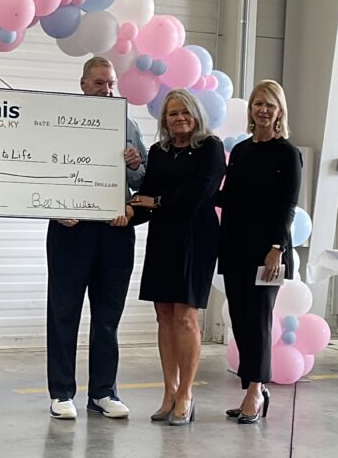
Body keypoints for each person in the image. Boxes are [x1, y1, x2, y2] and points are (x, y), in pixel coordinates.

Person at [46, 57, 147, 420]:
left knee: (108, 316)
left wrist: (135, 167)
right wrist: (56, 208)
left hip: (115, 230)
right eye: (100, 83)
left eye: (111, 84)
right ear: (83, 85)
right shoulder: (57, 125)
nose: (107, 90)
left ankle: (103, 392)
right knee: (63, 313)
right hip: (70, 229)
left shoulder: (129, 126)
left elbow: (143, 181)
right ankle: (61, 393)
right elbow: (40, 172)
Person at [129, 89, 225, 425]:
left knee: (186, 316)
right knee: (164, 314)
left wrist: (155, 203)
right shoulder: (158, 152)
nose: (180, 118)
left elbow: (203, 191)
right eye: (172, 114)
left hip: (196, 237)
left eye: (185, 112)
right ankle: (168, 392)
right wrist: (124, 210)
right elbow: (147, 196)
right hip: (164, 237)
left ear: (196, 114)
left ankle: (186, 394)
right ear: (164, 120)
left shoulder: (210, 147)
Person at [218, 80, 302, 424]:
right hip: (236, 247)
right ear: (250, 110)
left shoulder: (287, 153)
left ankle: (256, 390)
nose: (263, 110)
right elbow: (227, 197)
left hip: (268, 252)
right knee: (241, 321)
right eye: (258, 104)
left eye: (270, 105)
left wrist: (277, 248)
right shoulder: (240, 151)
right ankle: (251, 388)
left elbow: (289, 205)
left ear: (279, 111)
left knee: (259, 321)